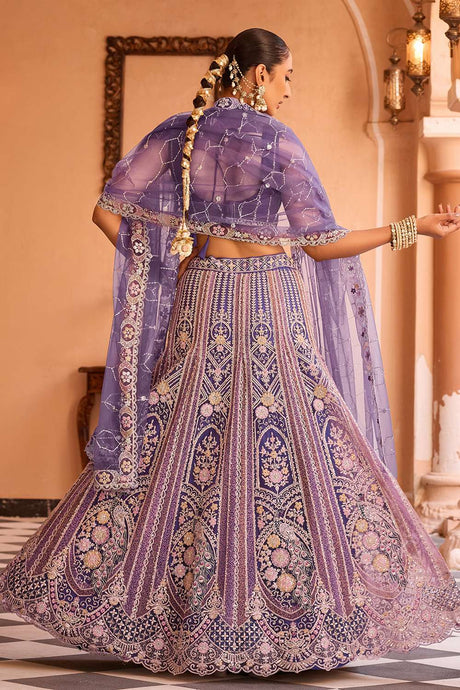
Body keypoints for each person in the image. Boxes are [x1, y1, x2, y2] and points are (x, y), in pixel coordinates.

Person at [1, 27, 459, 678]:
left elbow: (108, 212)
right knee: (300, 439)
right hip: (268, 300)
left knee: (179, 438)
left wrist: (168, 267)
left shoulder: (180, 132)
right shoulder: (276, 140)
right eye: (286, 77)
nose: (288, 92)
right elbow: (322, 243)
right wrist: (415, 228)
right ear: (259, 75)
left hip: (205, 295)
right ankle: (289, 610)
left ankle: (147, 605)